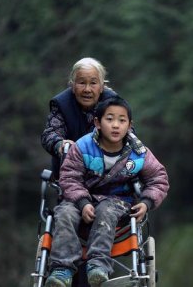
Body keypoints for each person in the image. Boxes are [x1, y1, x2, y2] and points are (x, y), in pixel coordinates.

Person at [44, 96, 169, 287]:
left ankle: (98, 266)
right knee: (64, 212)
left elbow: (158, 179)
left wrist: (146, 202)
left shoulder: (138, 152)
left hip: (117, 201)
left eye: (122, 120)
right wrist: (82, 202)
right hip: (79, 200)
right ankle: (62, 269)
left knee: (106, 210)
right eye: (109, 119)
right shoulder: (83, 146)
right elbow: (69, 177)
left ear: (129, 125)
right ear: (98, 123)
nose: (116, 125)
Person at [41, 57, 117, 179]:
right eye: (81, 83)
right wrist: (60, 144)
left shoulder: (114, 104)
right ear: (72, 85)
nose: (87, 89)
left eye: (93, 83)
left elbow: (128, 134)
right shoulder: (61, 104)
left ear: (102, 86)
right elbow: (50, 133)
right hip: (70, 175)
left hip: (109, 176)